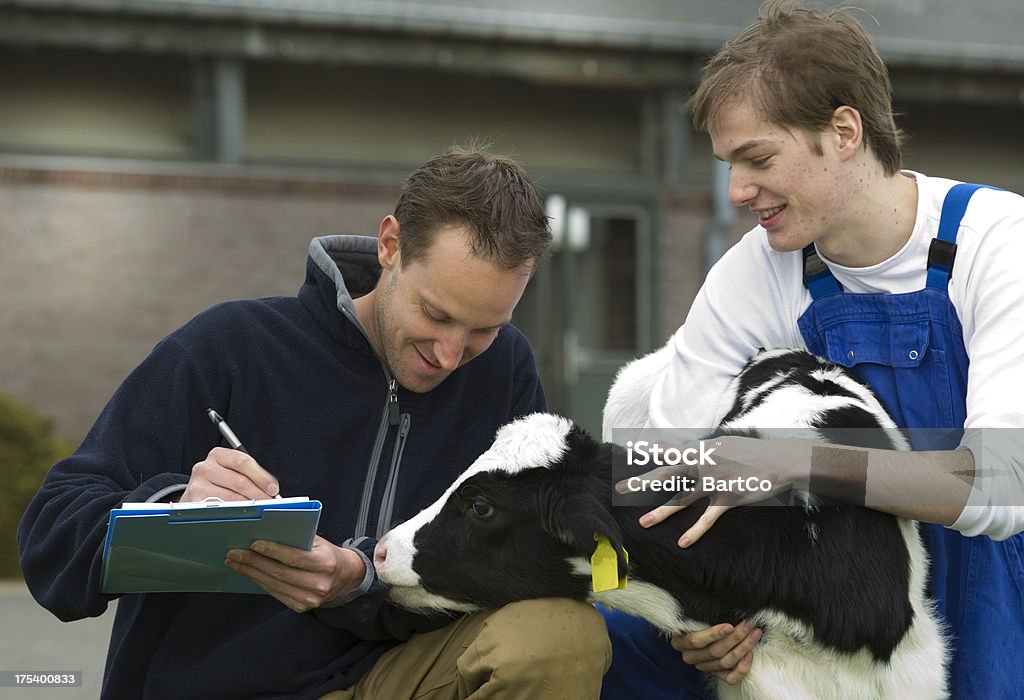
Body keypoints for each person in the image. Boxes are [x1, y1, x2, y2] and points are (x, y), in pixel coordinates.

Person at [18, 145, 611, 699]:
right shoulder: (229, 347)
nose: (451, 354)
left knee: (561, 635)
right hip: (216, 686)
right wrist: (174, 510)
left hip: (394, 677)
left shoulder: (506, 371)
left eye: (484, 328)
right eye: (436, 313)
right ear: (389, 245)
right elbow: (50, 541)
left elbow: (535, 557)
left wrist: (362, 579)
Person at [599, 2, 1024, 699]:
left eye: (758, 159)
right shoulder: (756, 272)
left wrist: (792, 461)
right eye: (728, 165)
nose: (737, 192)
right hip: (837, 605)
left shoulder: (997, 243)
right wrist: (699, 620)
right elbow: (658, 470)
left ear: (845, 132)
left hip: (996, 593)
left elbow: (1006, 483)